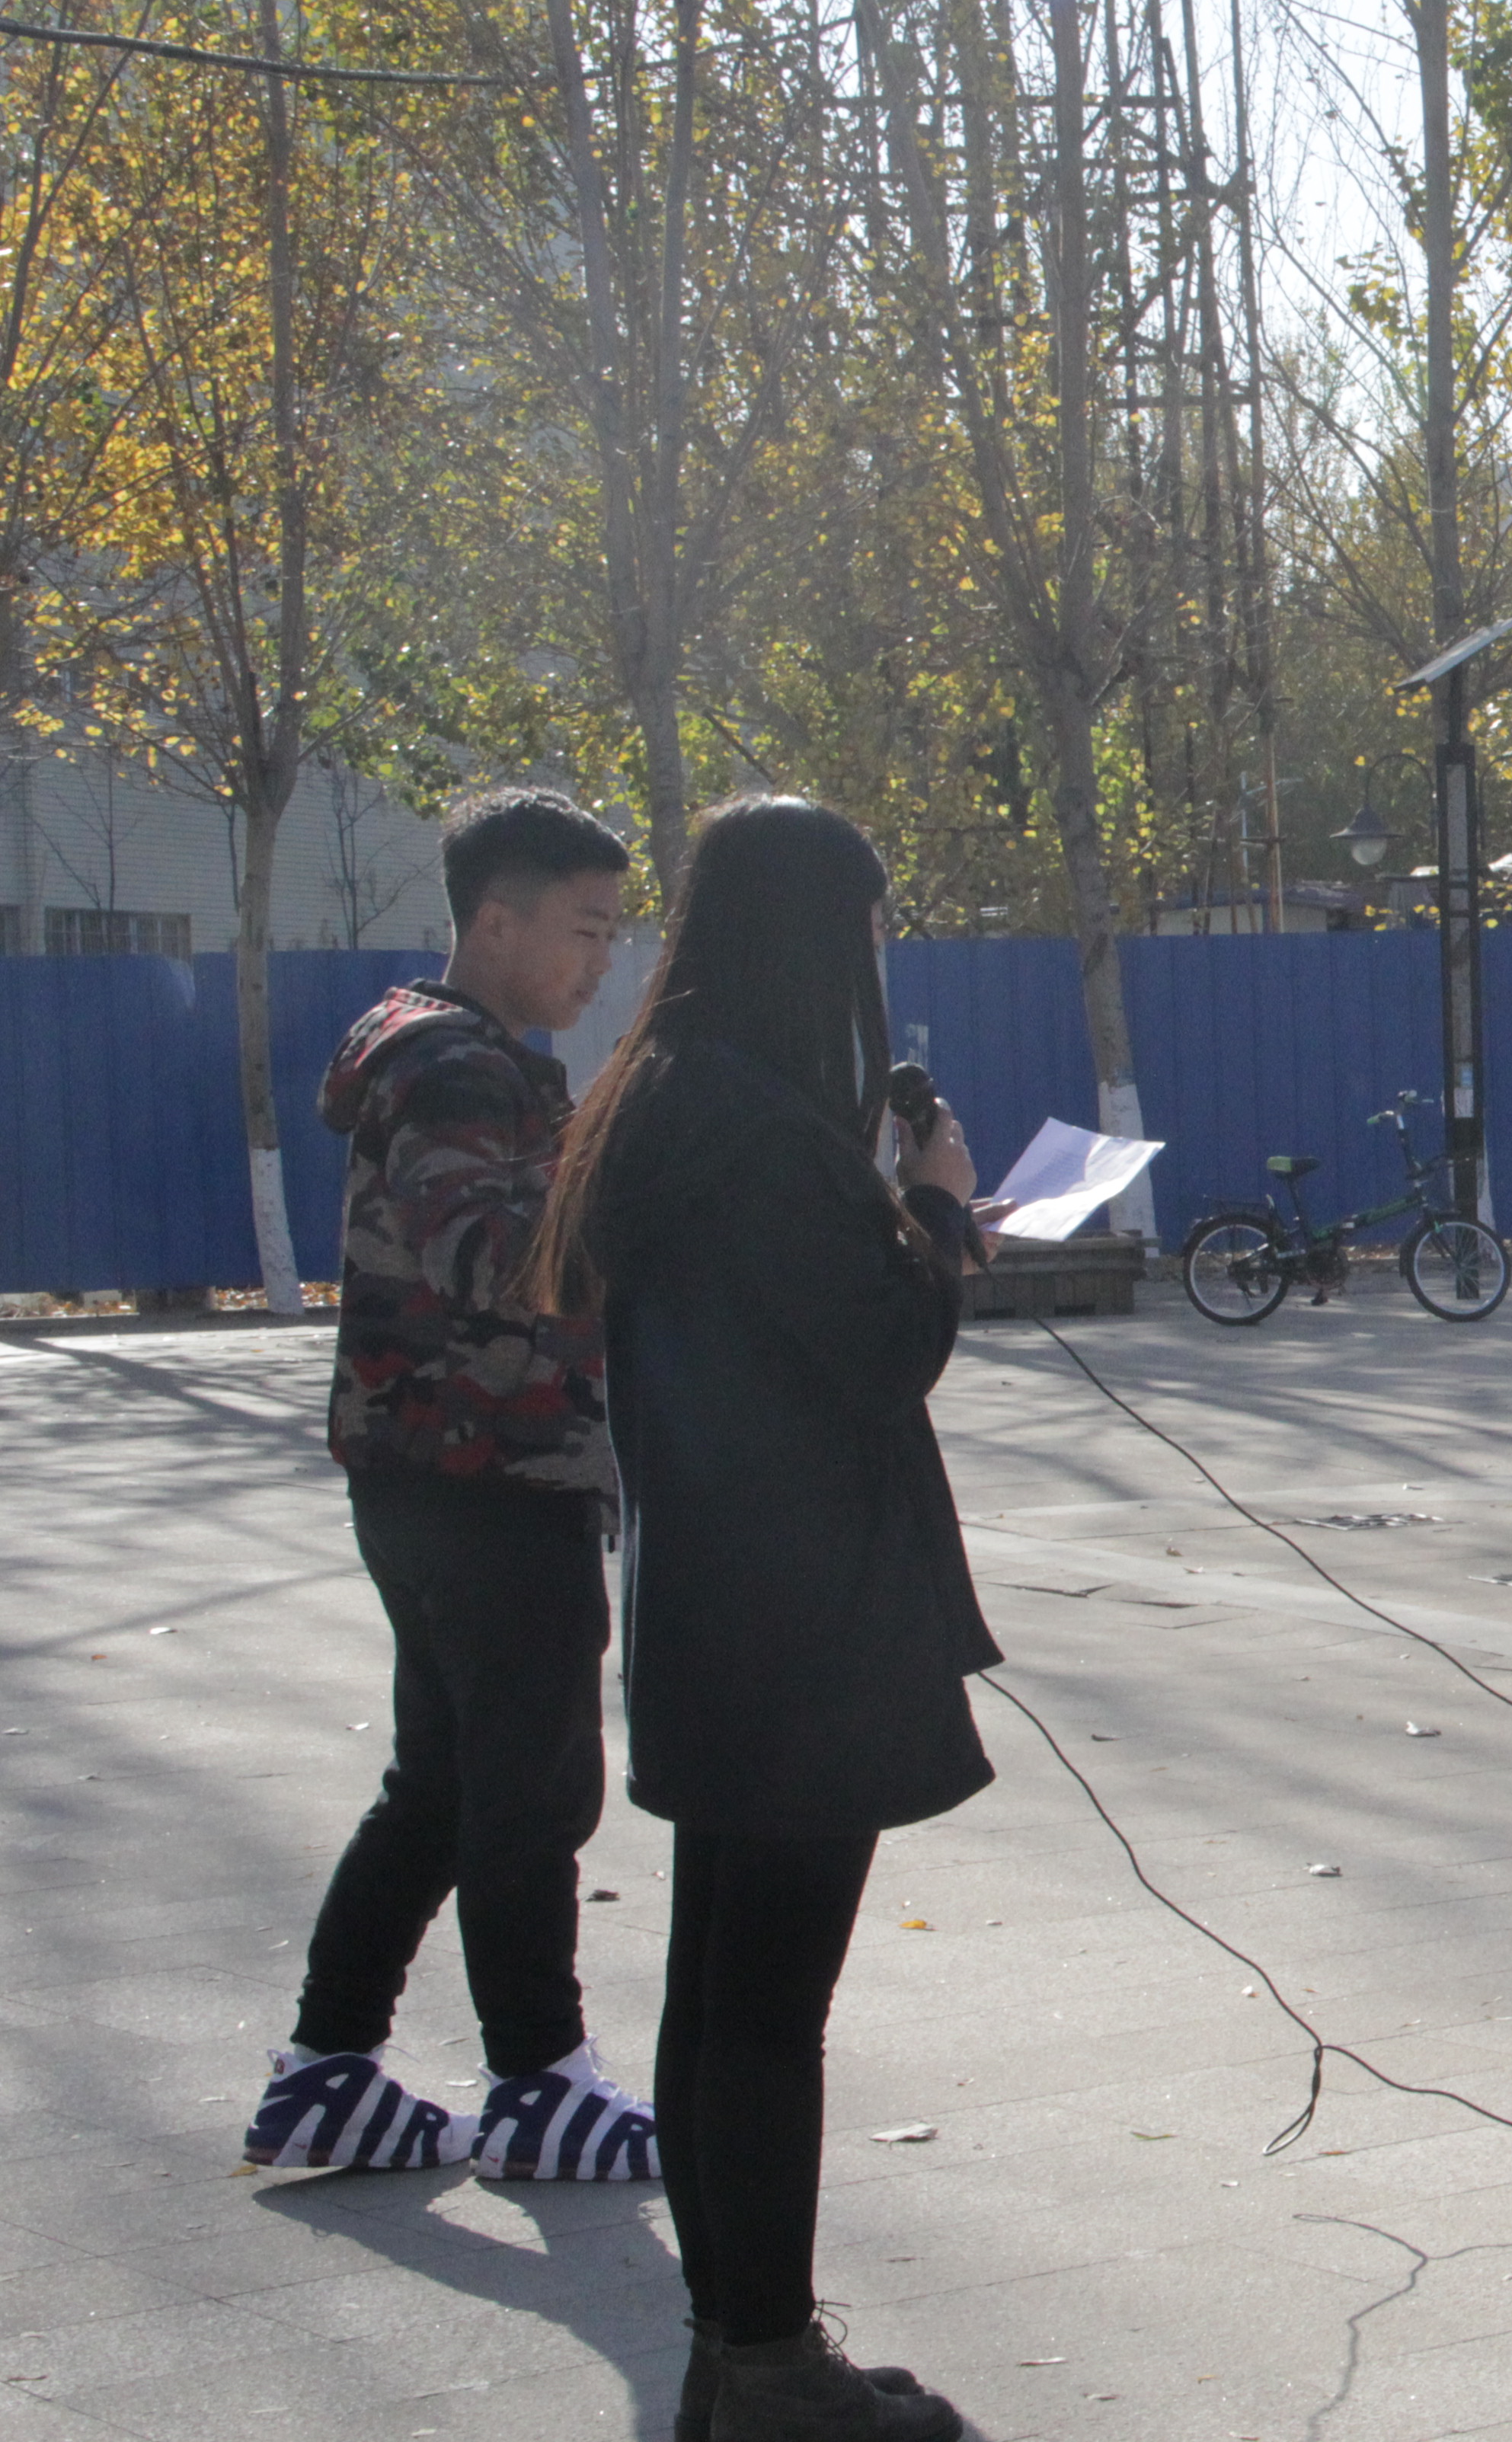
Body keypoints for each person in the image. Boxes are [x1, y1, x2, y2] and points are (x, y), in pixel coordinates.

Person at [525, 795, 983, 2440]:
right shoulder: (754, 1128)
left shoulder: (663, 1095)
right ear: (810, 935)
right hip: (803, 1619)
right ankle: (774, 2366)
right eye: (864, 929)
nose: (873, 960)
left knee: (719, 1991)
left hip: (717, 1603)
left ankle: (735, 2352)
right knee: (771, 2010)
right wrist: (937, 1209)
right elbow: (882, 1349)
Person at [246, 791, 652, 2183]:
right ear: (496, 920)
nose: (601, 961)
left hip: (425, 1471)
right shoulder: (462, 1069)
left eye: (612, 932)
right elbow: (495, 1258)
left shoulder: (439, 1054)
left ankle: (328, 2068)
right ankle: (541, 2081)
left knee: (440, 1784)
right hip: (490, 1473)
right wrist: (645, 1212)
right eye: (584, 929)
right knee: (531, 1791)